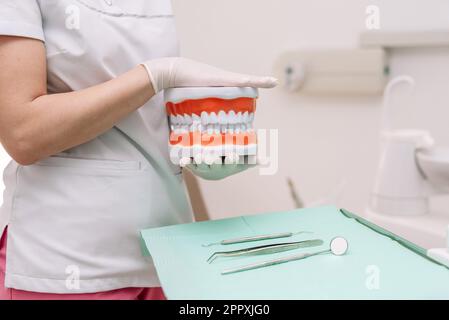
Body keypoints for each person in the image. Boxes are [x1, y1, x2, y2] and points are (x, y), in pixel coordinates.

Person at [0, 0, 277, 300]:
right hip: (68, 263)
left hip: (164, 255)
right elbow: (23, 134)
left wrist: (198, 151)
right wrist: (153, 76)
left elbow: (142, 120)